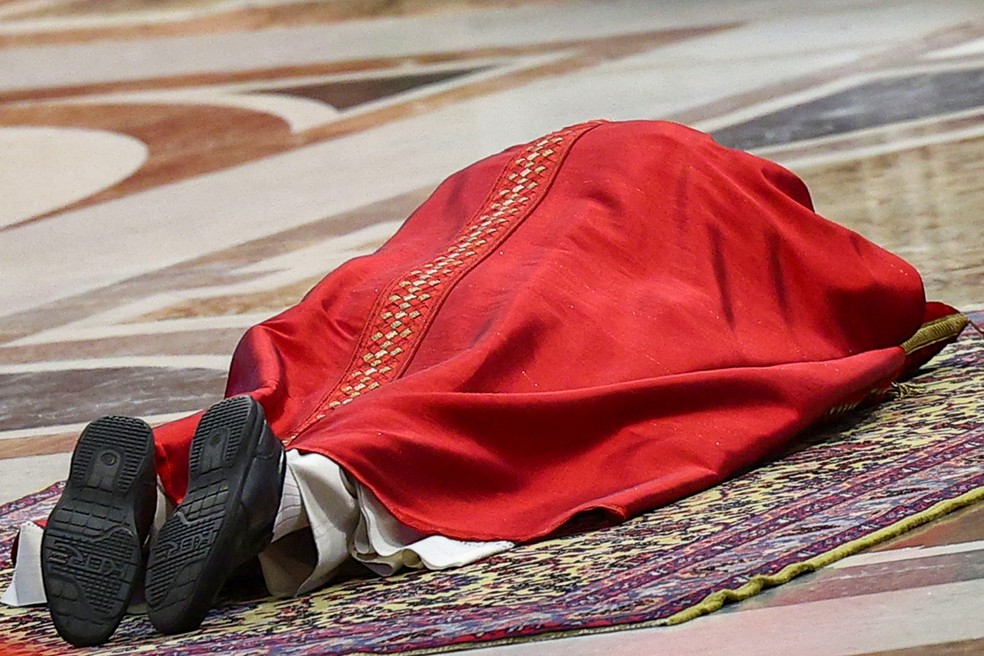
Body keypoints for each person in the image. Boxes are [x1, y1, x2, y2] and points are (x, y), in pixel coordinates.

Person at [34, 120, 966, 646]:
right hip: (600, 256)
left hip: (457, 240)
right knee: (520, 394)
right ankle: (296, 498)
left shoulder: (569, 153)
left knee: (338, 356)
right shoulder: (739, 207)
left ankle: (160, 487)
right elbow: (872, 297)